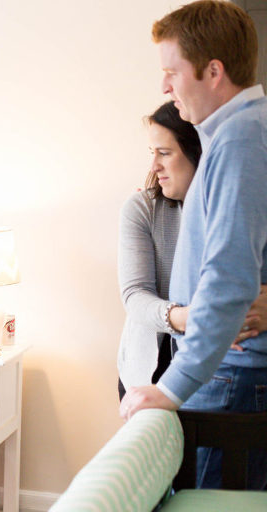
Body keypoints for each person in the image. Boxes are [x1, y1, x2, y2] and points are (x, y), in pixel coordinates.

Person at [120, 0, 267, 489]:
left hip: (232, 378)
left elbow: (228, 279)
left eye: (171, 72)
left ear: (213, 71)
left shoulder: (241, 140)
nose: (164, 86)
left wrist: (171, 387)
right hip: (229, 374)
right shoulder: (239, 135)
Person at [117, 102, 267, 400]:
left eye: (164, 153)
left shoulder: (240, 205)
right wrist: (197, 319)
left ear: (198, 151)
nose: (154, 166)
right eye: (152, 153)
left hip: (225, 369)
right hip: (151, 369)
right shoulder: (142, 209)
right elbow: (135, 296)